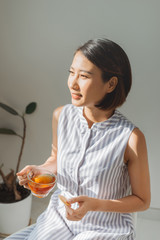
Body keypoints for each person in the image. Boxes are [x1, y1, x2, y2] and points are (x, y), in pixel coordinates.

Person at [5, 38, 150, 240]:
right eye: (71, 72)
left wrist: (95, 204)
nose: (72, 83)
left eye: (83, 76)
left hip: (106, 226)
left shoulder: (131, 138)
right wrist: (41, 171)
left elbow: (142, 200)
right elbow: (56, 158)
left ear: (111, 84)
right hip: (61, 216)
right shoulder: (61, 116)